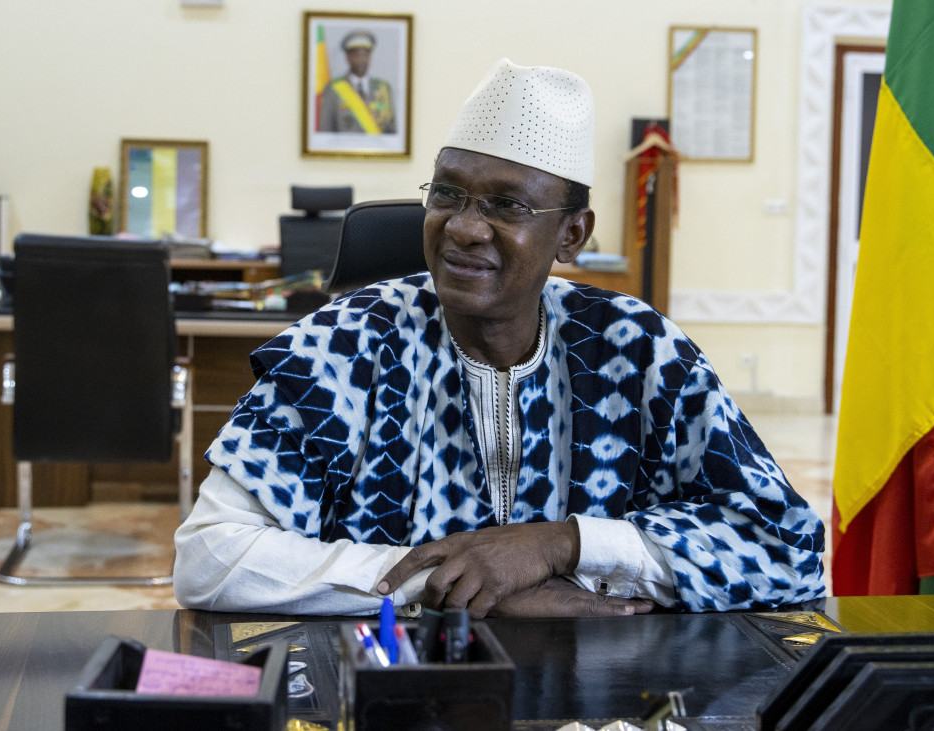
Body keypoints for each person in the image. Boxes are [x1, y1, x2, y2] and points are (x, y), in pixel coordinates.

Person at [174, 59, 824, 618]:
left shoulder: (641, 351)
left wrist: (561, 544)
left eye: (506, 206)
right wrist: (449, 584)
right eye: (448, 192)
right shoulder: (339, 349)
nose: (463, 226)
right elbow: (208, 556)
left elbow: (791, 553)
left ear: (572, 234)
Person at [317, 30, 396, 134]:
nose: (361, 60)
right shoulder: (333, 88)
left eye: (365, 55)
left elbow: (391, 130)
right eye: (357, 55)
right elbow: (325, 130)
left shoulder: (384, 88)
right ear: (348, 58)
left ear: (370, 57)